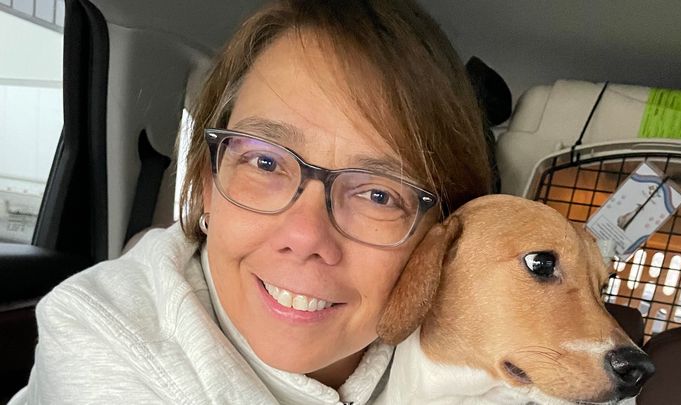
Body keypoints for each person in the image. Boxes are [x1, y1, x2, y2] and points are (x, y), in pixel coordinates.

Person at [10, 0, 492, 404]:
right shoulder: (98, 333)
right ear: (207, 183)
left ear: (440, 243)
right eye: (265, 162)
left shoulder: (478, 352)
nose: (305, 236)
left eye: (379, 195)